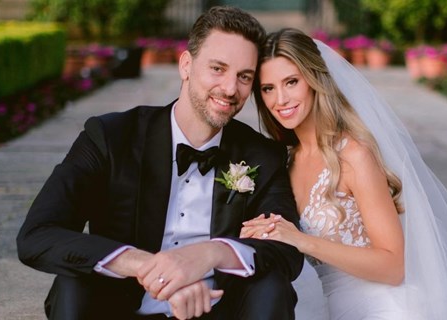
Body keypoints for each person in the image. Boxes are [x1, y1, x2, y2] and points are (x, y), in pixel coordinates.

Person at [16, 7, 303, 320]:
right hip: (122, 304)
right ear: (186, 65)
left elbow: (287, 252)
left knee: (273, 286)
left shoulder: (262, 154)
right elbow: (38, 234)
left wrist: (208, 254)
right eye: (217, 69)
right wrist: (149, 267)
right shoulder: (111, 138)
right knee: (71, 285)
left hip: (216, 307)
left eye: (244, 77)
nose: (231, 89)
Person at [240, 28, 447, 319]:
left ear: (314, 80)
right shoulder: (285, 161)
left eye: (291, 82)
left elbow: (393, 266)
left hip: (383, 305)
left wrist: (302, 241)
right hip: (326, 303)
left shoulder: (354, 155)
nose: (281, 99)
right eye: (268, 88)